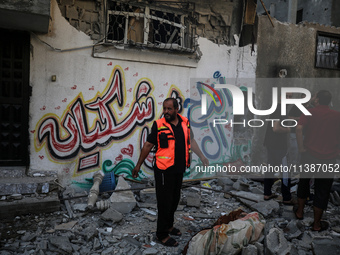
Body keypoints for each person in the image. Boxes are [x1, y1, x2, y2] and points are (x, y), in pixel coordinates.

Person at [132, 98, 209, 247]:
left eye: (169, 109)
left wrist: (202, 156)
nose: (166, 112)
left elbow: (191, 141)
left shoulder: (185, 122)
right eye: (164, 109)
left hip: (178, 168)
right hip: (163, 170)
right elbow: (148, 145)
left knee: (174, 199)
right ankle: (162, 234)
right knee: (164, 202)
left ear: (176, 109)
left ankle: (169, 226)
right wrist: (138, 165)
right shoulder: (159, 125)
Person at [294, 90, 340, 231]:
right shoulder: (337, 115)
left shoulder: (309, 112)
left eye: (314, 96)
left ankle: (300, 212)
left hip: (309, 156)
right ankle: (316, 224)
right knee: (322, 190)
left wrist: (301, 148)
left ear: (318, 99)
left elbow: (299, 128)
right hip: (329, 159)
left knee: (304, 183)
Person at [263, 92, 292, 204]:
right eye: (287, 96)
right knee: (285, 171)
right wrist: (289, 130)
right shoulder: (280, 109)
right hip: (278, 145)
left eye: (290, 97)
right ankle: (287, 198)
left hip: (271, 143)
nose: (288, 98)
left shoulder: (277, 108)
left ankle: (267, 193)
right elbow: (276, 128)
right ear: (280, 97)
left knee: (270, 168)